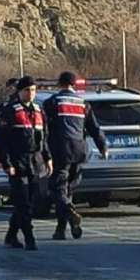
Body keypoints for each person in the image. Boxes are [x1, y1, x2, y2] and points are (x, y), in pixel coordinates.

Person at [43, 71, 109, 240]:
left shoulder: (52, 102)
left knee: (57, 189)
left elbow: (45, 130)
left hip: (60, 149)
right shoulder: (83, 103)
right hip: (79, 149)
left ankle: (70, 211)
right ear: (73, 84)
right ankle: (61, 229)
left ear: (59, 84)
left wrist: (44, 151)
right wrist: (103, 146)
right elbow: (94, 127)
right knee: (69, 188)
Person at [0, 76, 52, 251]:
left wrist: (48, 158)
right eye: (27, 90)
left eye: (33, 90)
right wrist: (6, 163)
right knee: (23, 203)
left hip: (35, 162)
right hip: (17, 161)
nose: (30, 93)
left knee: (28, 201)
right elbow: (2, 141)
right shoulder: (10, 111)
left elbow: (44, 138)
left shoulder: (38, 110)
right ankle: (29, 238)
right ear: (20, 92)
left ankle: (11, 234)